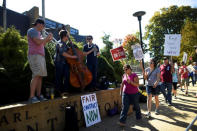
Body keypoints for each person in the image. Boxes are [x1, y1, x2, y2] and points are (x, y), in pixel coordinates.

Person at [54, 30, 94, 95]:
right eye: (68, 36)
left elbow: (70, 52)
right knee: (59, 77)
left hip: (66, 63)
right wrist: (73, 57)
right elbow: (63, 53)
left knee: (67, 76)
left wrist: (73, 48)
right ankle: (58, 92)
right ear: (65, 36)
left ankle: (65, 91)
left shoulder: (66, 45)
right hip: (59, 62)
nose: (68, 37)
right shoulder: (59, 43)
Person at [27, 18, 53, 103]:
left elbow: (42, 43)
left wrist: (48, 40)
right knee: (36, 75)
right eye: (43, 25)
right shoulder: (32, 30)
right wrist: (46, 38)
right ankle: (31, 97)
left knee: (40, 76)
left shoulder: (39, 33)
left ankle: (38, 95)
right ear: (39, 24)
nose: (43, 27)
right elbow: (38, 42)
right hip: (35, 55)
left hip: (40, 56)